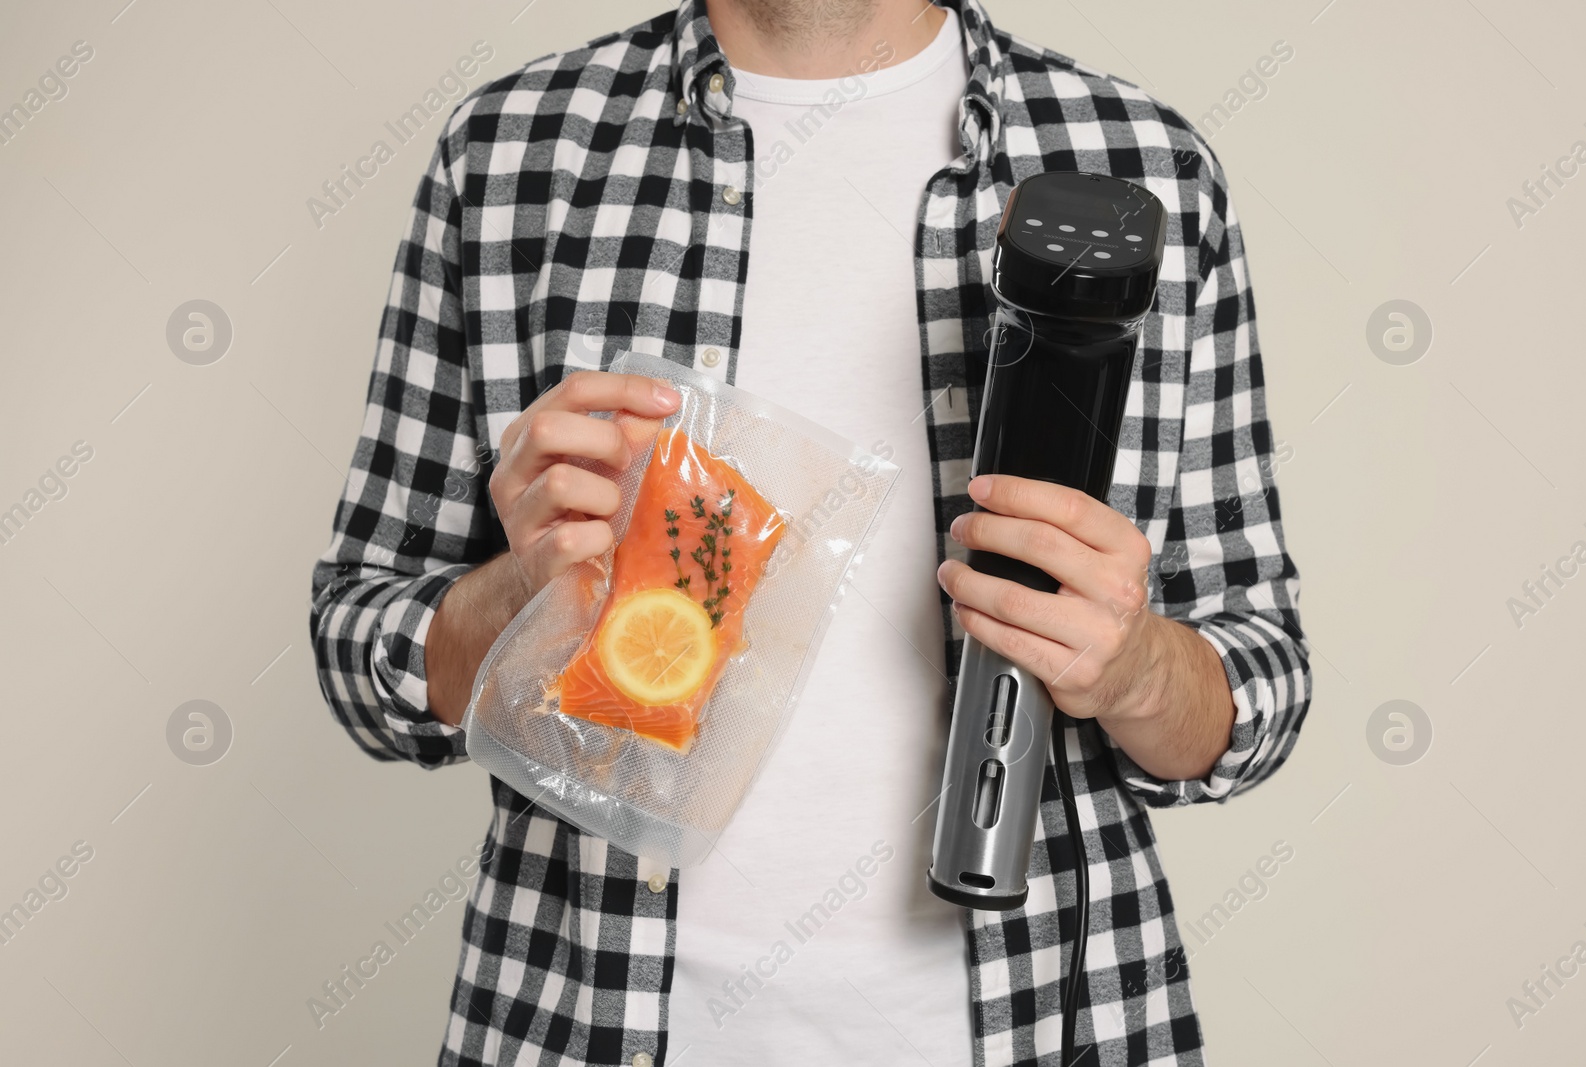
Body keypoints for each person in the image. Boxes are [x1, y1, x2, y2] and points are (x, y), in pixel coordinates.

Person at [309, 0, 1312, 1063]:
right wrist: (521, 591)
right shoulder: (513, 154)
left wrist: (1136, 668)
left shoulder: (1143, 166)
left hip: (1043, 1018)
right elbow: (359, 653)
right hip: (588, 1016)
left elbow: (1259, 681)